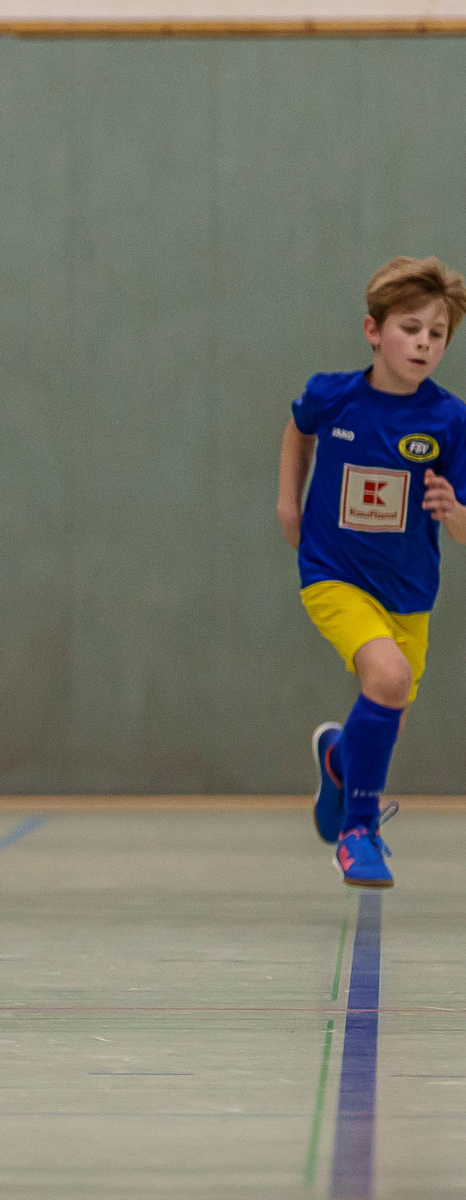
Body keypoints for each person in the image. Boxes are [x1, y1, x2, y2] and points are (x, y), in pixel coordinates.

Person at [277, 255, 466, 889]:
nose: (423, 343)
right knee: (389, 677)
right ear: (373, 331)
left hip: (408, 592)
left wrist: (455, 513)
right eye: (410, 328)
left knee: (388, 710)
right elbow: (298, 429)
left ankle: (338, 759)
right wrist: (288, 501)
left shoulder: (449, 420)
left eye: (437, 334)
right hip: (333, 573)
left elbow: (464, 526)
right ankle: (358, 832)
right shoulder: (333, 395)